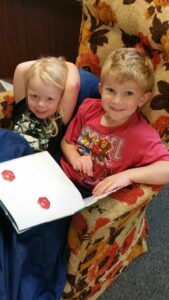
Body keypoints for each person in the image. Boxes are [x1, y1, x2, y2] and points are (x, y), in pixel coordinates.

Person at [60, 47, 169, 198]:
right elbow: (67, 143)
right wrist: (76, 159)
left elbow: (166, 169)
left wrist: (128, 176)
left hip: (90, 195)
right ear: (101, 89)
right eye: (110, 90)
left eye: (129, 93)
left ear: (142, 99)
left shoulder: (143, 135)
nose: (117, 101)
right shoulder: (88, 108)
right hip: (62, 176)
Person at [12, 57, 100, 161]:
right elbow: (20, 68)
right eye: (34, 96)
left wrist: (64, 63)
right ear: (27, 92)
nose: (40, 104)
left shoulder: (58, 118)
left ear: (60, 99)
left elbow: (73, 85)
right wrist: (47, 63)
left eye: (50, 99)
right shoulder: (23, 105)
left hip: (35, 167)